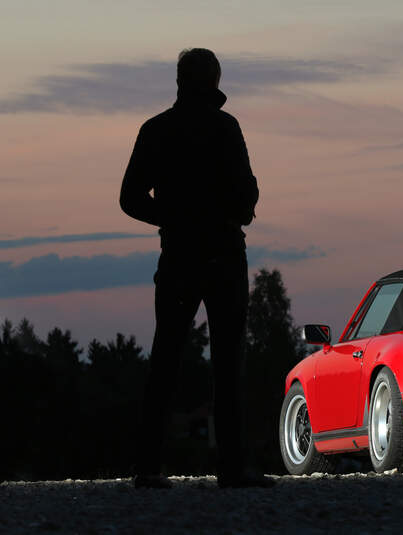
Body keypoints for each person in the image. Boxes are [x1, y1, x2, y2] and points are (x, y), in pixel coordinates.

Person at [120, 48, 270, 488]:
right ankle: (231, 468)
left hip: (180, 256)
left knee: (166, 357)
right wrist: (230, 211)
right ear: (214, 81)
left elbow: (131, 198)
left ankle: (148, 468)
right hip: (222, 255)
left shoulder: (156, 130)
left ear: (181, 81)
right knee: (227, 362)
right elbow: (247, 192)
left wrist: (170, 218)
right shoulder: (225, 128)